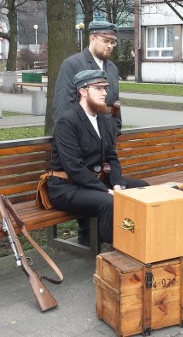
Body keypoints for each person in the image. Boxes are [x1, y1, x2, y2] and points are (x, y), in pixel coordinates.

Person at [47, 70, 148, 245]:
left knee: (143, 188)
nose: (105, 93)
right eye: (99, 88)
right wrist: (104, 189)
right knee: (109, 201)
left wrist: (117, 183)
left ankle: (138, 241)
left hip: (95, 181)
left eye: (105, 88)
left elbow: (111, 156)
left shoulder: (104, 118)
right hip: (67, 187)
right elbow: (74, 167)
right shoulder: (67, 121)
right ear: (83, 91)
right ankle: (110, 250)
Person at [53, 21, 122, 246]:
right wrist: (76, 129)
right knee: (101, 199)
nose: (110, 46)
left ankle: (128, 241)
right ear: (92, 38)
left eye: (113, 42)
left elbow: (114, 105)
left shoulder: (111, 68)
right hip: (76, 141)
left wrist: (113, 129)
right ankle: (96, 245)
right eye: (106, 41)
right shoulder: (72, 64)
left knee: (131, 190)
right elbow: (63, 105)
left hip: (101, 134)